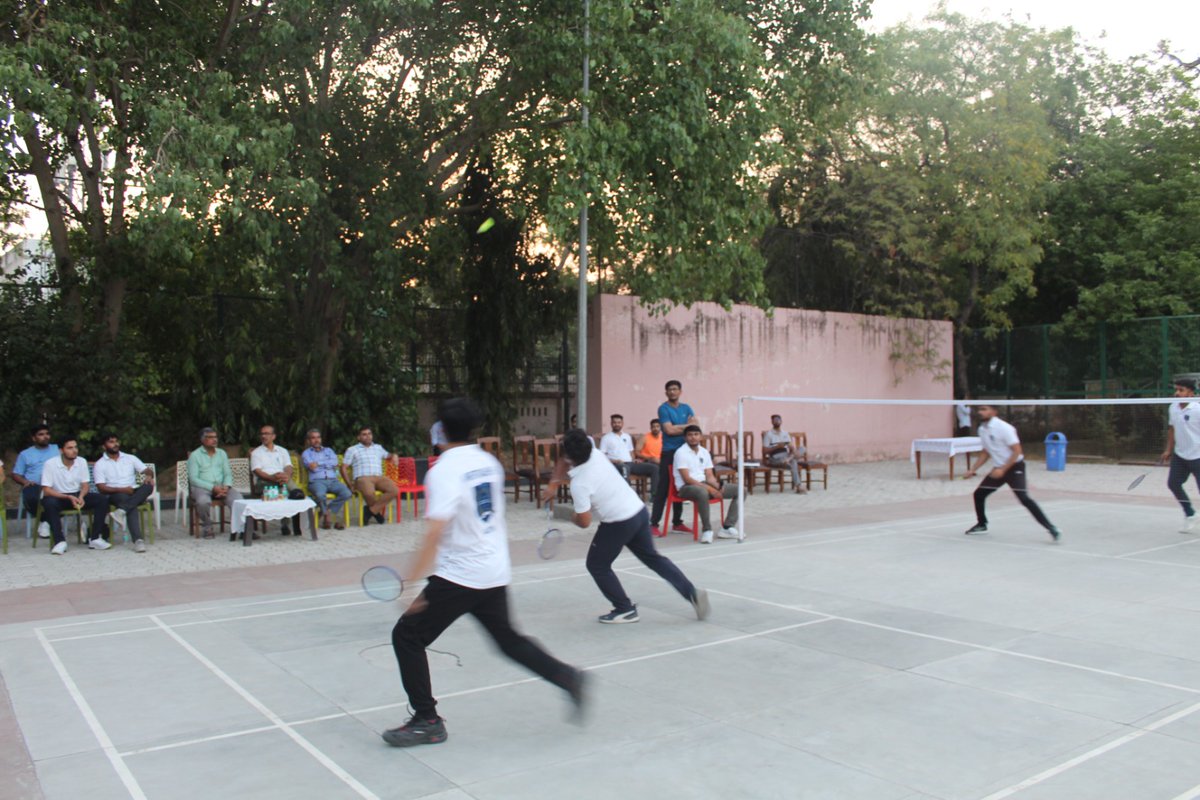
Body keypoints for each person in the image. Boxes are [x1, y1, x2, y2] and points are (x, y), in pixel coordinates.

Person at [384, 398, 585, 747]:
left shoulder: (443, 470)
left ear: (440, 430)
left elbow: (434, 531)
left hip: (462, 574)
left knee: (407, 637)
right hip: (492, 568)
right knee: (508, 641)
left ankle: (427, 719)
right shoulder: (488, 462)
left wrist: (410, 583)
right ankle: (566, 677)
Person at [559, 428, 709, 624]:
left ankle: (624, 609)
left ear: (570, 457)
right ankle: (692, 593)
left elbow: (584, 521)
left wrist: (571, 516)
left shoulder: (579, 483)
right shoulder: (594, 453)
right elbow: (572, 452)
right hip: (638, 511)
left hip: (618, 522)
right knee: (653, 558)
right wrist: (555, 482)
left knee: (597, 565)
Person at [963, 405, 1061, 541]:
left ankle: (1051, 528)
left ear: (993, 412)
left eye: (984, 409)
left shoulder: (1004, 428)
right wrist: (973, 469)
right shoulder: (982, 429)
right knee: (979, 494)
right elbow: (986, 452)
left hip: (1015, 467)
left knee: (1024, 498)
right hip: (998, 468)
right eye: (979, 409)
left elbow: (1017, 451)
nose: (980, 412)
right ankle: (982, 524)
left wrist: (1003, 470)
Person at [41, 436, 111, 554]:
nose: (74, 450)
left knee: (102, 499)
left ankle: (94, 538)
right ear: (61, 450)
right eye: (70, 448)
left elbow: (85, 485)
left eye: (75, 447)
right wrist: (67, 497)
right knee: (49, 503)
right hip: (59, 496)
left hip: (77, 495)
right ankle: (59, 541)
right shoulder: (50, 464)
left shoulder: (81, 461)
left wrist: (82, 496)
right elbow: (46, 490)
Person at [674, 425, 743, 544]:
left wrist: (718, 487)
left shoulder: (704, 452)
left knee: (741, 490)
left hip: (704, 484)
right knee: (702, 492)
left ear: (700, 436)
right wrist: (710, 490)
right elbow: (687, 479)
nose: (693, 437)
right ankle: (707, 530)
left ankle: (727, 527)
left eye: (696, 434)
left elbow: (710, 476)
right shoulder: (681, 452)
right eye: (690, 435)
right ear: (685, 438)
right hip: (686, 488)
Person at [650, 380, 697, 536]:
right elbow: (668, 430)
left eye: (675, 389)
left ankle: (677, 523)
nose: (672, 392)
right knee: (663, 488)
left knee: (680, 486)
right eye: (669, 390)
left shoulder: (686, 407)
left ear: (680, 391)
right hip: (669, 453)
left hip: (684, 452)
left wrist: (680, 428)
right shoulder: (663, 409)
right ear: (666, 393)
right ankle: (653, 524)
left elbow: (695, 427)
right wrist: (686, 428)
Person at [93, 432, 154, 553]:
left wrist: (148, 476)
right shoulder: (100, 464)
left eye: (116, 441)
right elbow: (101, 488)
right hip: (115, 493)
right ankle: (138, 540)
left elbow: (147, 470)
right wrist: (122, 489)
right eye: (111, 442)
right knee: (128, 502)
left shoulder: (130, 458)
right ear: (104, 446)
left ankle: (121, 511)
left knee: (148, 486)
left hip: (133, 490)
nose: (115, 444)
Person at [187, 427, 243, 539]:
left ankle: (241, 528)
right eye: (210, 437)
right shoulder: (195, 455)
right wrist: (213, 488)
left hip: (222, 486)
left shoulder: (222, 453)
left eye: (215, 437)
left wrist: (226, 487)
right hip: (202, 487)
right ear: (202, 440)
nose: (214, 440)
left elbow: (227, 473)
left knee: (238, 500)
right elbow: (193, 479)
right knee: (203, 502)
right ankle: (207, 527)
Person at [1160, 374, 1200, 533]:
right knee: (1173, 483)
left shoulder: (1197, 408)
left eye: (1181, 390)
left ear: (1191, 393)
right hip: (1180, 455)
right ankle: (1190, 514)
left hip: (1198, 455)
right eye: (1176, 390)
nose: (1177, 393)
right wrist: (1168, 449)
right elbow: (1172, 429)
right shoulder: (1173, 407)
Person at [340, 426, 399, 525]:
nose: (367, 436)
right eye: (364, 434)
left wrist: (395, 455)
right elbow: (343, 468)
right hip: (363, 478)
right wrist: (349, 484)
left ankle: (370, 511)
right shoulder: (352, 449)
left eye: (369, 434)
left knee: (394, 490)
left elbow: (389, 455)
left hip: (379, 477)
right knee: (369, 493)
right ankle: (376, 513)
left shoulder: (378, 448)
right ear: (359, 437)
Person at [250, 424, 301, 536]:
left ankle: (294, 527)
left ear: (273, 436)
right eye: (262, 434)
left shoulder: (282, 451)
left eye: (267, 433)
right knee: (284, 490)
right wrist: (274, 478)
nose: (264, 436)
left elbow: (288, 466)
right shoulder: (256, 453)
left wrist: (286, 476)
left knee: (295, 493)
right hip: (264, 481)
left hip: (281, 478)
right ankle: (285, 524)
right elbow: (257, 471)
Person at [11, 424, 58, 539]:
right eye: (41, 435)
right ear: (34, 438)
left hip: (56, 483)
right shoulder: (25, 454)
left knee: (61, 496)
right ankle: (45, 521)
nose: (45, 437)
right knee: (32, 497)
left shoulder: (57, 449)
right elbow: (16, 474)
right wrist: (25, 482)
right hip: (35, 484)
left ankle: (46, 522)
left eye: (47, 434)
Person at [599, 414, 658, 498]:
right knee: (624, 468)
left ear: (622, 423)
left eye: (619, 422)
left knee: (654, 468)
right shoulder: (606, 438)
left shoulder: (627, 436)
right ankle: (627, 497)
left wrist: (635, 459)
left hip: (630, 463)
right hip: (617, 464)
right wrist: (614, 461)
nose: (617, 424)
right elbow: (602, 456)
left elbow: (631, 452)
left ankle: (654, 495)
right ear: (611, 423)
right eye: (614, 422)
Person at [302, 429, 350, 530]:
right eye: (313, 438)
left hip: (333, 480)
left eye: (318, 437)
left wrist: (318, 463)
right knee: (320, 495)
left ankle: (326, 513)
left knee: (347, 493)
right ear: (308, 441)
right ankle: (328, 517)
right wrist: (327, 463)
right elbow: (312, 468)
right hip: (317, 481)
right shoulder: (306, 453)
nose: (316, 440)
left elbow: (335, 462)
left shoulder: (329, 450)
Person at [762, 414, 807, 494]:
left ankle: (789, 459)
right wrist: (777, 446)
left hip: (786, 455)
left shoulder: (785, 433)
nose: (777, 421)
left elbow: (791, 448)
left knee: (802, 448)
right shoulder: (768, 434)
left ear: (781, 421)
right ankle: (799, 486)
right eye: (775, 420)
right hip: (775, 458)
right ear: (772, 422)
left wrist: (792, 448)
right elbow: (764, 451)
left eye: (778, 419)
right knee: (793, 462)